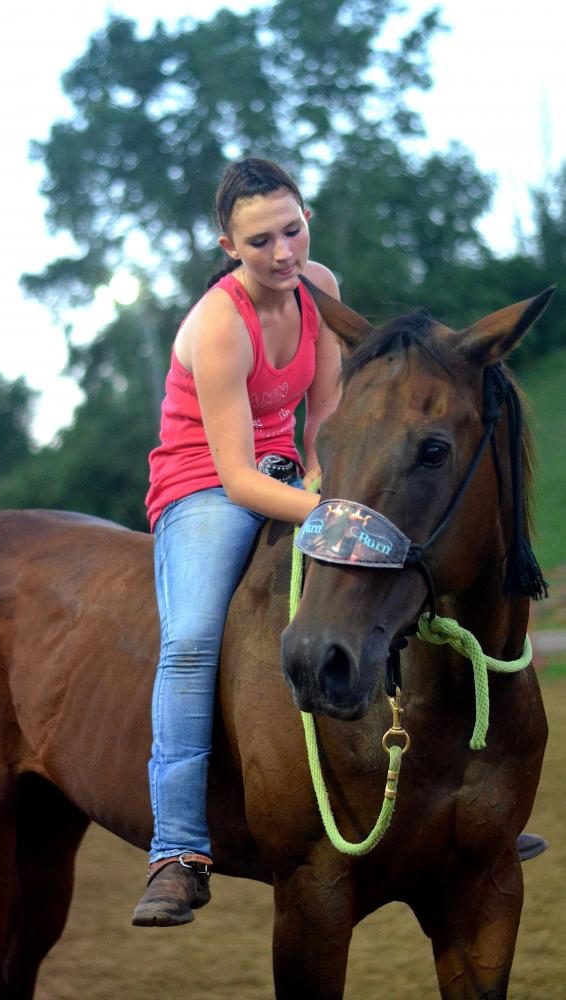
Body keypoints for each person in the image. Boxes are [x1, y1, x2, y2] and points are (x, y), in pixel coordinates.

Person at [132, 157, 342, 927]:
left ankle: (452, 796)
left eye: (293, 228)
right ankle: (178, 850)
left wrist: (330, 483)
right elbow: (237, 475)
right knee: (190, 642)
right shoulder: (219, 325)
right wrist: (321, 511)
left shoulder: (320, 287)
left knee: (387, 571)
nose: (283, 252)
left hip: (286, 468)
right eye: (261, 242)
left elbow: (324, 420)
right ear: (228, 245)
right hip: (206, 485)